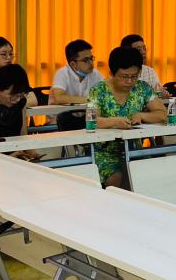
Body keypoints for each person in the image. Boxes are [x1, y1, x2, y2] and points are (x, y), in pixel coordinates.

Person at [88, 46, 166, 188]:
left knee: (151, 176)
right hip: (104, 151)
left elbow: (163, 114)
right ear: (111, 73)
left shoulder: (142, 88)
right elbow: (92, 121)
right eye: (124, 77)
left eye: (134, 76)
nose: (129, 81)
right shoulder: (98, 90)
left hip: (133, 149)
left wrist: (142, 115)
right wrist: (114, 121)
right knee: (115, 177)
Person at [50, 39, 103, 104]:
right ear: (73, 64)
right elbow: (59, 98)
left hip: (87, 110)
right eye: (85, 60)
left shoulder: (95, 73)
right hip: (62, 111)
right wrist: (90, 99)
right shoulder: (62, 73)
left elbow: (106, 95)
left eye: (91, 58)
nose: (91, 63)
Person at [120, 34, 169, 98]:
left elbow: (157, 90)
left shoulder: (150, 71)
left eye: (144, 48)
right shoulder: (120, 72)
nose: (143, 52)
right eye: (139, 50)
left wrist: (162, 93)